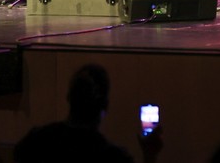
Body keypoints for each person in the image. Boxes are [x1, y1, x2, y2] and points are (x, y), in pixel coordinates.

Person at [14, 64, 153, 163]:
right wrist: (149, 155)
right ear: (105, 104)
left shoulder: (36, 141)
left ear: (68, 97)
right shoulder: (112, 157)